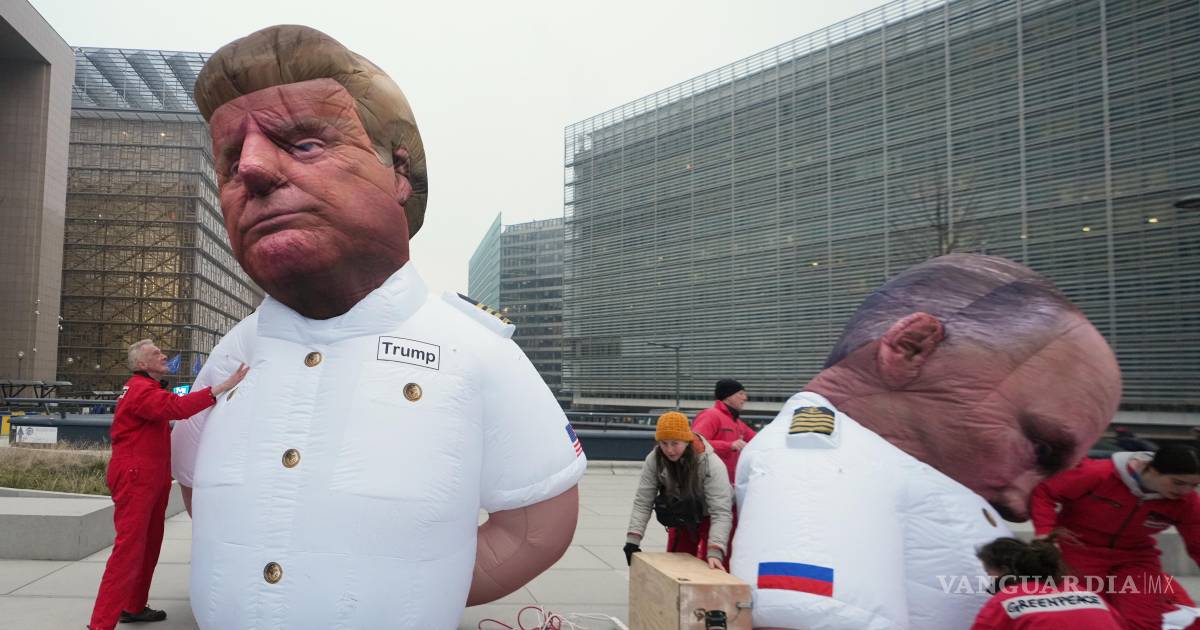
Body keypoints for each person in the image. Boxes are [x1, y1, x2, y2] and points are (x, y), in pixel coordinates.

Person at [168, 26, 585, 629]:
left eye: (304, 143)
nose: (252, 169)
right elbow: (197, 494)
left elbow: (534, 526)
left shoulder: (472, 350)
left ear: (398, 171)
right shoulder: (231, 358)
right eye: (231, 162)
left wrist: (410, 586)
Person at [731, 254, 1122, 629]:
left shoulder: (852, 464)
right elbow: (807, 616)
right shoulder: (822, 468)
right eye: (1039, 447)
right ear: (912, 346)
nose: (1021, 509)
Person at [88, 340, 247, 630]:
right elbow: (177, 407)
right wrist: (221, 387)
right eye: (156, 354)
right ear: (142, 364)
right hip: (137, 478)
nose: (164, 356)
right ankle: (100, 624)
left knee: (148, 544)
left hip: (149, 476)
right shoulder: (141, 391)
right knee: (128, 550)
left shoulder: (145, 388)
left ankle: (134, 606)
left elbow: (169, 406)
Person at [1031, 444, 1200, 629]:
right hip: (1079, 548)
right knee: (1088, 614)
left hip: (1135, 555)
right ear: (1152, 470)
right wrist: (1045, 533)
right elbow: (1045, 492)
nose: (1185, 491)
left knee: (1144, 619)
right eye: (1178, 483)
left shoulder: (1187, 501)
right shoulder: (1098, 474)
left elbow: (1197, 539)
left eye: (1193, 485)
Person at [624, 411, 732, 571]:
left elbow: (721, 511)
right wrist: (632, 541)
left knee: (711, 565)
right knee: (677, 564)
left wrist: (715, 551)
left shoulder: (711, 464)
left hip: (711, 514)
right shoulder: (654, 460)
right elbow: (643, 501)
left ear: (687, 441)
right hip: (682, 514)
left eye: (675, 443)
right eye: (664, 443)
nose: (669, 450)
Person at [971, 537, 1125, 629]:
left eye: (989, 573)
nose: (989, 580)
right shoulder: (1086, 594)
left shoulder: (1006, 600)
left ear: (1004, 571)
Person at [692, 378, 757, 482]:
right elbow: (695, 443)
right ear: (728, 396)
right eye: (741, 394)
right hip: (710, 481)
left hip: (729, 482)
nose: (745, 398)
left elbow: (758, 439)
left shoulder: (737, 422)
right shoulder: (710, 415)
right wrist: (729, 445)